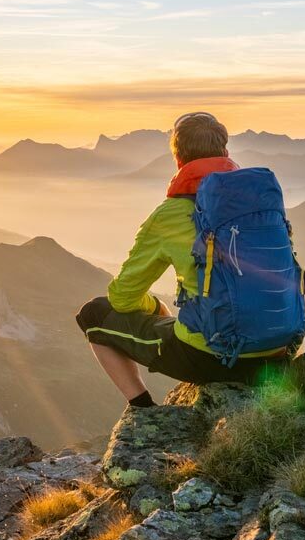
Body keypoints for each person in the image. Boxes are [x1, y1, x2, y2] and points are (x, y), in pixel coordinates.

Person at [76, 112, 292, 409]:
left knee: (92, 315)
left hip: (214, 359)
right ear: (226, 153)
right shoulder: (260, 202)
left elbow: (122, 298)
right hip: (279, 349)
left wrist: (154, 306)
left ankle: (143, 411)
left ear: (178, 161)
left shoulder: (170, 214)